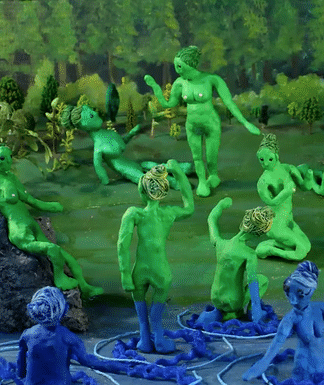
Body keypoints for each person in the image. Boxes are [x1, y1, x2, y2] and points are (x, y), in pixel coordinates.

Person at [0, 142, 103, 297]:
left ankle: (85, 287)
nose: (8, 161)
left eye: (9, 157)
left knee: (67, 257)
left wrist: (50, 206)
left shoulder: (11, 178)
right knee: (53, 249)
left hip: (31, 224)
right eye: (2, 158)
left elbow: (30, 200)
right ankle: (59, 279)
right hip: (18, 230)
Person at [144, 46, 260, 197]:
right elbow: (168, 104)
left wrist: (245, 123)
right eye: (176, 66)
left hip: (211, 124)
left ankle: (213, 176)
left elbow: (229, 103)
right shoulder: (180, 83)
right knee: (197, 157)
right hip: (192, 125)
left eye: (180, 66)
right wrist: (155, 87)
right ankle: (202, 182)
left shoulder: (211, 79)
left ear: (190, 64)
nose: (177, 70)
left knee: (211, 156)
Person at [243, 261, 324, 383]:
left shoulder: (321, 308)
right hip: (303, 372)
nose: (293, 301)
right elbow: (277, 342)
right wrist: (262, 364)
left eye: (300, 294)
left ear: (311, 290)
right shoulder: (291, 319)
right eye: (289, 294)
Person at [118, 161, 194, 353]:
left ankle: (145, 339)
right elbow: (189, 207)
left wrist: (125, 275)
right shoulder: (168, 213)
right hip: (161, 271)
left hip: (140, 270)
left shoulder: (133, 214)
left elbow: (122, 245)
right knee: (156, 313)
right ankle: (158, 337)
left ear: (142, 191)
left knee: (141, 310)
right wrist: (178, 172)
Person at [60, 104, 190, 187]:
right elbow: (97, 165)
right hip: (126, 169)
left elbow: (122, 142)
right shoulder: (98, 147)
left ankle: (181, 169)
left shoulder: (108, 134)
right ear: (83, 124)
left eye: (93, 111)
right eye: (91, 115)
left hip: (132, 163)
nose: (96, 114)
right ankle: (175, 183)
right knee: (145, 179)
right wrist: (105, 180)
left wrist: (132, 133)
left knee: (148, 165)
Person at [195, 197, 272, 326]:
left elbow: (211, 219)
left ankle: (220, 313)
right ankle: (248, 312)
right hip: (233, 302)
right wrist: (256, 314)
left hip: (215, 298)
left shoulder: (220, 243)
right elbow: (253, 284)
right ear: (260, 232)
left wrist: (221, 205)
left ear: (244, 222)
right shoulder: (249, 254)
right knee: (262, 280)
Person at [18, 286, 91, 385]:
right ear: (64, 310)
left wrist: (21, 376)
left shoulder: (27, 334)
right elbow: (89, 362)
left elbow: (20, 370)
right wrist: (121, 367)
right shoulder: (67, 337)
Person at [255, 133, 311, 261]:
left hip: (288, 220)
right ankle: (271, 250)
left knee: (307, 246)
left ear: (276, 156)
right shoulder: (263, 181)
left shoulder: (287, 169)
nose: (265, 163)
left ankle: (276, 245)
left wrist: (309, 176)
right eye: (261, 160)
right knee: (301, 252)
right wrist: (287, 191)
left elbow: (304, 186)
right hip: (276, 225)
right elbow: (271, 202)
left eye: (270, 159)